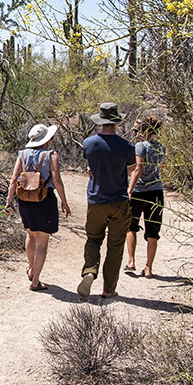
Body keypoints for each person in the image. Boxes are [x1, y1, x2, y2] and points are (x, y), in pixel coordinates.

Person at [77, 102, 138, 299]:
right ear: (116, 121)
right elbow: (130, 169)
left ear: (101, 121)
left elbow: (91, 166)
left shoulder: (89, 143)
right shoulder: (127, 146)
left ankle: (89, 272)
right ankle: (108, 289)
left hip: (96, 200)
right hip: (119, 200)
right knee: (116, 245)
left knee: (93, 239)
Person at [6, 123, 71, 291]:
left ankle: (31, 268)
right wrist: (64, 201)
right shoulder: (52, 155)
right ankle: (35, 281)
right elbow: (56, 180)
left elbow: (14, 179)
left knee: (31, 234)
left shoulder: (22, 154)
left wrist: (9, 199)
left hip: (24, 199)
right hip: (44, 199)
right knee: (42, 241)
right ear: (47, 139)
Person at [125, 116, 166, 278]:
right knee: (152, 231)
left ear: (146, 131)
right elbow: (160, 167)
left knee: (131, 226)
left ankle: (131, 261)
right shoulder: (161, 147)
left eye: (136, 130)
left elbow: (138, 169)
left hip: (139, 192)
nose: (134, 133)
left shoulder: (140, 146)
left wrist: (129, 189)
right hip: (156, 192)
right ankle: (148, 268)